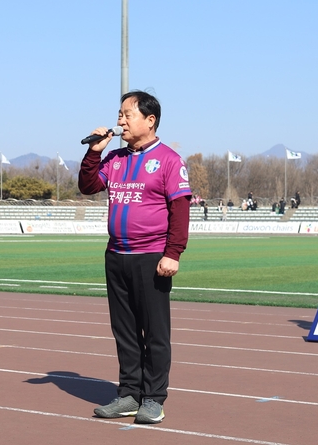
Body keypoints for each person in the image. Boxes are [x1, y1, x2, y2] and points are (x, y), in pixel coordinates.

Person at [78, 90, 191, 424]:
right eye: (120, 114)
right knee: (124, 330)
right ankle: (129, 394)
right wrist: (93, 153)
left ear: (150, 120)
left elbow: (180, 209)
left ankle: (153, 398)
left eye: (127, 115)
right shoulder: (114, 158)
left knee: (154, 331)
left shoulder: (169, 160)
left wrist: (173, 253)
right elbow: (87, 186)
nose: (120, 121)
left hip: (152, 257)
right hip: (116, 255)